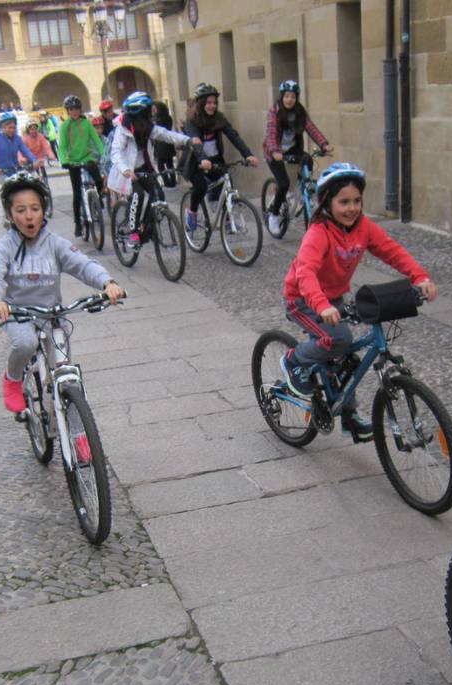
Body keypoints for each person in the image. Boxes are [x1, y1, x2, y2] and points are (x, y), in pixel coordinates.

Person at [279, 162, 437, 441]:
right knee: (337, 339)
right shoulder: (319, 232)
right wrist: (321, 305)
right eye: (344, 202)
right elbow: (305, 272)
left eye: (356, 201)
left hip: (334, 297)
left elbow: (391, 250)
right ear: (328, 202)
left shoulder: (363, 227)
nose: (352, 208)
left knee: (347, 358)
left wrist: (419, 278)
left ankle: (349, 415)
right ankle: (293, 362)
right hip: (302, 299)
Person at [0, 172, 125, 463]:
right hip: (20, 314)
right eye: (20, 210)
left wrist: (107, 283)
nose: (28, 216)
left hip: (53, 316)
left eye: (34, 208)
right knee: (24, 344)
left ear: (44, 210)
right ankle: (12, 379)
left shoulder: (54, 243)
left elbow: (82, 264)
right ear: (10, 214)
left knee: (66, 373)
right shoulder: (5, 246)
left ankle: (78, 435)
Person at [108, 91, 197, 251]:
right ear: (140, 113)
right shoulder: (123, 129)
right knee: (138, 195)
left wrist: (188, 140)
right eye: (148, 111)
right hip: (128, 172)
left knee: (159, 195)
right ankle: (133, 232)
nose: (151, 114)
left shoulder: (148, 127)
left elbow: (166, 135)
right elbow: (115, 152)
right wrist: (126, 170)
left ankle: (147, 227)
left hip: (144, 168)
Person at [181, 83, 258, 234]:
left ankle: (227, 220)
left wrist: (248, 154)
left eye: (214, 103)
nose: (212, 106)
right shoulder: (192, 121)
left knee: (226, 182)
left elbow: (233, 136)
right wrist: (203, 159)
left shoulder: (219, 119)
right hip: (195, 161)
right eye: (208, 103)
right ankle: (192, 212)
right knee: (201, 186)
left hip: (215, 159)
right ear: (201, 103)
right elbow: (196, 142)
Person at [263, 79, 331, 234]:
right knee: (284, 183)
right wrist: (274, 151)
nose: (289, 99)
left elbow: (311, 128)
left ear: (296, 98)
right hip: (274, 152)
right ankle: (273, 215)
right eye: (286, 96)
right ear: (282, 97)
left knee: (308, 159)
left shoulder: (299, 111)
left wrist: (324, 144)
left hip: (292, 149)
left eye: (292, 97)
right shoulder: (275, 111)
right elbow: (271, 134)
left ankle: (302, 192)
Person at [57, 95, 105, 240]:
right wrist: (65, 160)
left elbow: (96, 139)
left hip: (87, 157)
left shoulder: (86, 123)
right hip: (73, 161)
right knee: (77, 193)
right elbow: (63, 146)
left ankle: (99, 199)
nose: (75, 112)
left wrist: (104, 154)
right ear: (68, 111)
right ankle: (78, 222)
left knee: (98, 179)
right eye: (71, 109)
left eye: (77, 109)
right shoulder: (65, 126)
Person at [0, 115, 39, 179]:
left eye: (14, 128)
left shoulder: (17, 138)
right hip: (2, 172)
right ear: (3, 127)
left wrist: (34, 160)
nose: (12, 130)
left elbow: (25, 151)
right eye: (9, 128)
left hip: (15, 170)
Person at [152, 101, 177, 187]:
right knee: (170, 164)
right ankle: (173, 181)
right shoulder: (168, 118)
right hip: (168, 144)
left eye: (155, 109)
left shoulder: (159, 120)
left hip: (161, 146)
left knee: (160, 166)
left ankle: (167, 182)